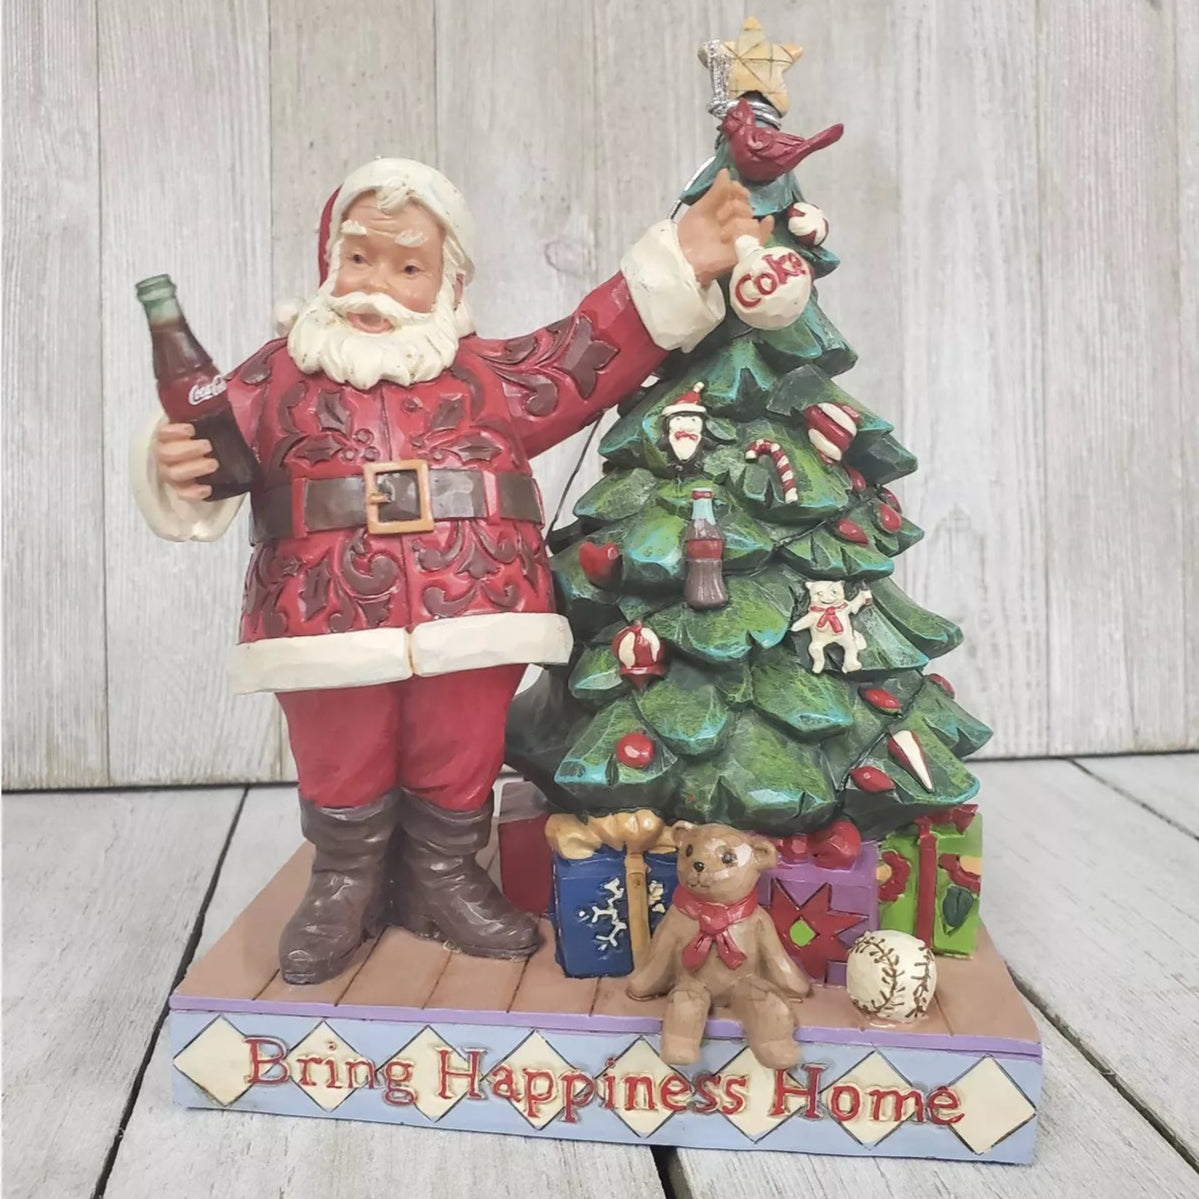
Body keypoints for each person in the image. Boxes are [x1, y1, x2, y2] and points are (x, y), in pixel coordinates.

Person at [133, 157, 769, 984]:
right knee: (339, 742)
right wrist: (174, 462)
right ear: (328, 263)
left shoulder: (489, 376)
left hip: (478, 596)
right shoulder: (273, 376)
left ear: (449, 282)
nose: (375, 284)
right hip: (320, 606)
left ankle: (445, 872)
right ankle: (344, 879)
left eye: (408, 266)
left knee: (460, 736)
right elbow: (206, 440)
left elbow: (584, 351)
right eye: (358, 257)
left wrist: (679, 260)